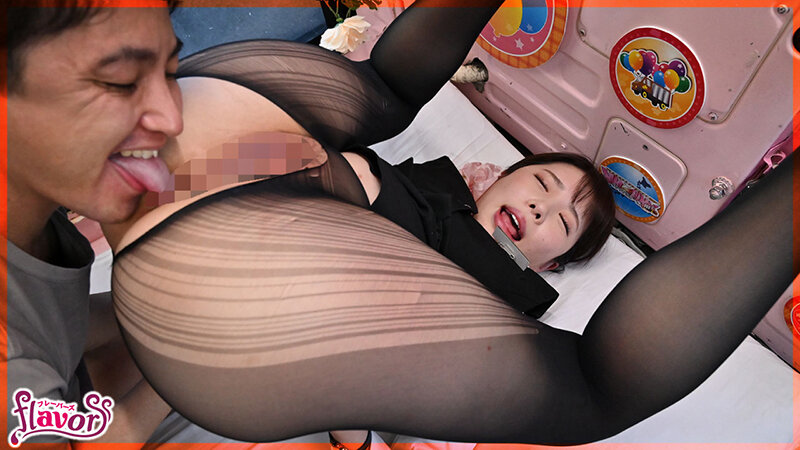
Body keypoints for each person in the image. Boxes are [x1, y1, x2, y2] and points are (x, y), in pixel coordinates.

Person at [5, 0, 796, 447]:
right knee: (593, 385)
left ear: (555, 265)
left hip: (265, 201)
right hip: (268, 219)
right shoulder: (447, 193)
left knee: (383, 88)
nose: (544, 209)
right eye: (544, 185)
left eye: (172, 66)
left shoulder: (514, 286)